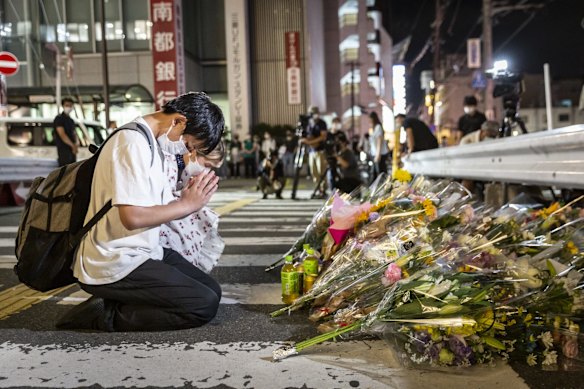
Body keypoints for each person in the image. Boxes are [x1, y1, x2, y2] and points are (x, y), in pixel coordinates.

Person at [57, 92, 223, 332]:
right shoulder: (131, 143)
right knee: (202, 305)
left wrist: (190, 198)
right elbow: (132, 217)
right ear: (178, 121)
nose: (185, 152)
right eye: (189, 145)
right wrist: (187, 205)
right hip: (114, 258)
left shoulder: (150, 142)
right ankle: (104, 314)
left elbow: (159, 207)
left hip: (144, 250)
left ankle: (122, 299)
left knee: (212, 291)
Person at [160, 142, 226, 274]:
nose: (207, 171)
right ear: (194, 152)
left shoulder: (183, 169)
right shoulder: (167, 162)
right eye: (207, 165)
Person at [301, 106, 328, 198]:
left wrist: (309, 142)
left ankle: (323, 190)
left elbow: (323, 136)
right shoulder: (309, 123)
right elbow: (308, 135)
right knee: (314, 172)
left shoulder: (321, 123)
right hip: (311, 151)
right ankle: (318, 189)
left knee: (321, 171)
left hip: (320, 150)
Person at [53, 97, 79, 166]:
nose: (69, 107)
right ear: (63, 106)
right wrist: (73, 145)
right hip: (64, 150)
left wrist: (76, 144)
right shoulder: (59, 119)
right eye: (67, 105)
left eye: (70, 105)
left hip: (72, 151)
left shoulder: (71, 120)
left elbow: (74, 133)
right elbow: (62, 134)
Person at [368, 111, 390, 180]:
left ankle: (384, 187)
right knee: (376, 173)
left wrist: (378, 154)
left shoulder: (378, 127)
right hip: (376, 153)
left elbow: (379, 140)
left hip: (379, 154)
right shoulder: (374, 128)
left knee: (381, 173)